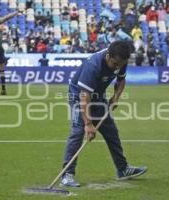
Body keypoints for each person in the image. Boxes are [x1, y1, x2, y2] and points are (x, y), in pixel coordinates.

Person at [61, 41, 147, 187]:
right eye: (114, 64)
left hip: (98, 96)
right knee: (78, 132)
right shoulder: (93, 65)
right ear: (108, 56)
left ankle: (123, 169)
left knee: (111, 132)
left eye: (120, 64)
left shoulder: (121, 59)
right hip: (79, 97)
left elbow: (121, 80)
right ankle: (67, 174)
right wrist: (88, 124)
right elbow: (84, 95)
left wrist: (116, 97)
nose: (117, 67)